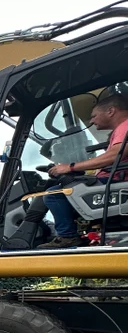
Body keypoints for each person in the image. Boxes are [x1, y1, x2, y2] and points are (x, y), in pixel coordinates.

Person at [33, 93, 128, 249]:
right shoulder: (120, 130)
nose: (91, 121)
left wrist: (71, 167)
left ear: (111, 111)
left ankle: (67, 236)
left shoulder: (125, 126)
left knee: (54, 195)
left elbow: (116, 155)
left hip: (118, 183)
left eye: (94, 116)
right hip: (116, 179)